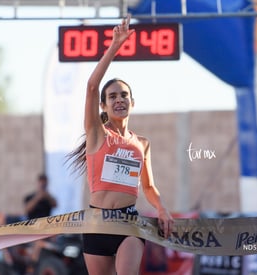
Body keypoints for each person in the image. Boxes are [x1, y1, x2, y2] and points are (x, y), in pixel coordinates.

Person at [67, 14, 174, 275]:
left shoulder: (142, 144)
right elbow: (92, 86)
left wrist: (162, 209)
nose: (119, 100)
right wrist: (115, 45)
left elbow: (148, 186)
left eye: (124, 95)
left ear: (132, 102)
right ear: (103, 105)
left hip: (129, 223)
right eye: (112, 96)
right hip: (97, 225)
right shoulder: (97, 134)